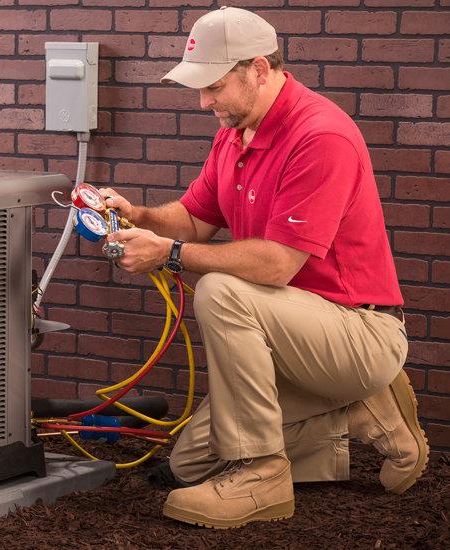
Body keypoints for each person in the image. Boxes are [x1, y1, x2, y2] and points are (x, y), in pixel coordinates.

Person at [98, 6, 428, 529]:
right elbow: (191, 220)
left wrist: (169, 255)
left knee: (222, 291)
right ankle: (355, 411)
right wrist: (137, 216)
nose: (204, 102)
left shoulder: (321, 136)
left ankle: (263, 473)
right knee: (189, 463)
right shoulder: (235, 132)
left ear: (258, 69)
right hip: (293, 333)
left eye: (215, 87)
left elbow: (275, 265)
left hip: (360, 332)